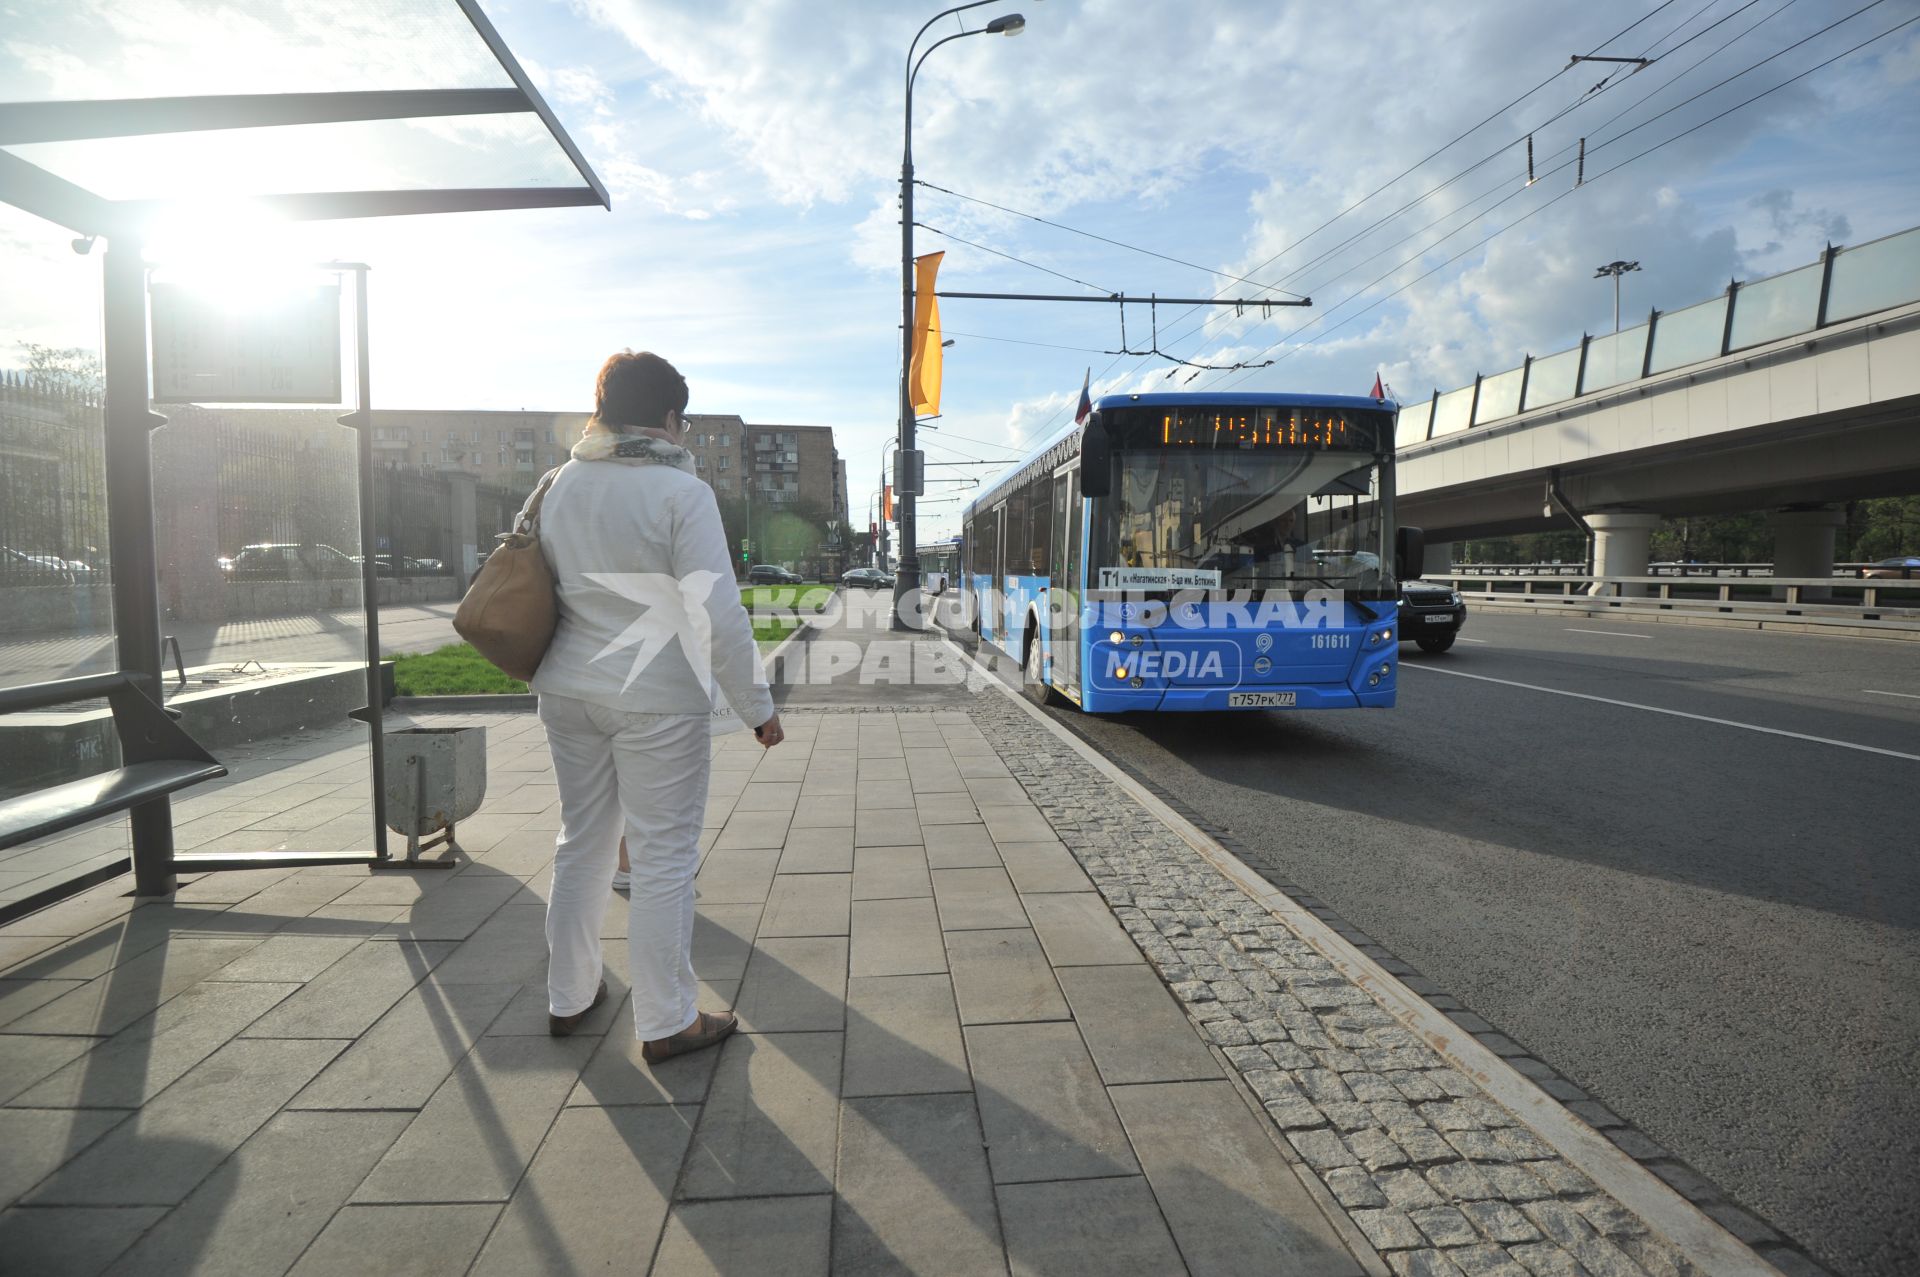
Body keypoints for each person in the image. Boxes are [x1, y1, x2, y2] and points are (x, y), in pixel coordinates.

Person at [528, 349, 783, 1061]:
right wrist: (757, 704)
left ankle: (569, 996)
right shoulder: (680, 493)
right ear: (670, 418)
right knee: (663, 858)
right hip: (656, 700)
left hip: (567, 688)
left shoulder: (559, 483)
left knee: (580, 842)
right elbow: (719, 612)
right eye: (682, 422)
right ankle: (668, 1020)